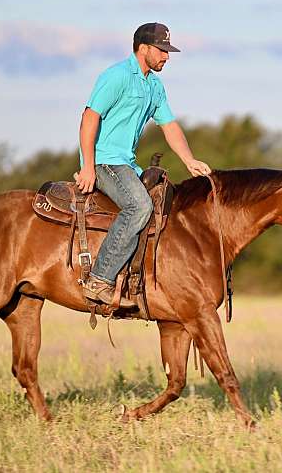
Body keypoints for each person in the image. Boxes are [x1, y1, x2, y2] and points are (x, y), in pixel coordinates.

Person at [74, 22, 211, 307]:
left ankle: (140, 282)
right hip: (104, 161)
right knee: (140, 206)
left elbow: (170, 126)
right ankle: (98, 280)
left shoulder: (154, 86)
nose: (167, 57)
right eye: (162, 50)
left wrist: (189, 160)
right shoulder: (117, 76)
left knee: (167, 207)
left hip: (128, 165)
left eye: (168, 51)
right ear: (143, 48)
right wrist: (88, 166)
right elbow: (89, 117)